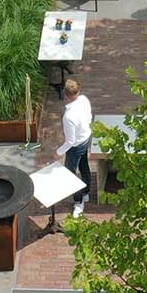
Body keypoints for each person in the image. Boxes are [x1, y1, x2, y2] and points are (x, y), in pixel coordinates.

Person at [60, 78, 94, 217]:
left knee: (71, 175)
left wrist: (58, 152)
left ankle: (79, 202)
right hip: (86, 138)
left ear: (66, 95)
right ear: (78, 91)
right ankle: (86, 192)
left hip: (75, 146)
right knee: (84, 166)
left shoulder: (68, 116)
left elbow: (70, 141)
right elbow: (89, 118)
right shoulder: (84, 100)